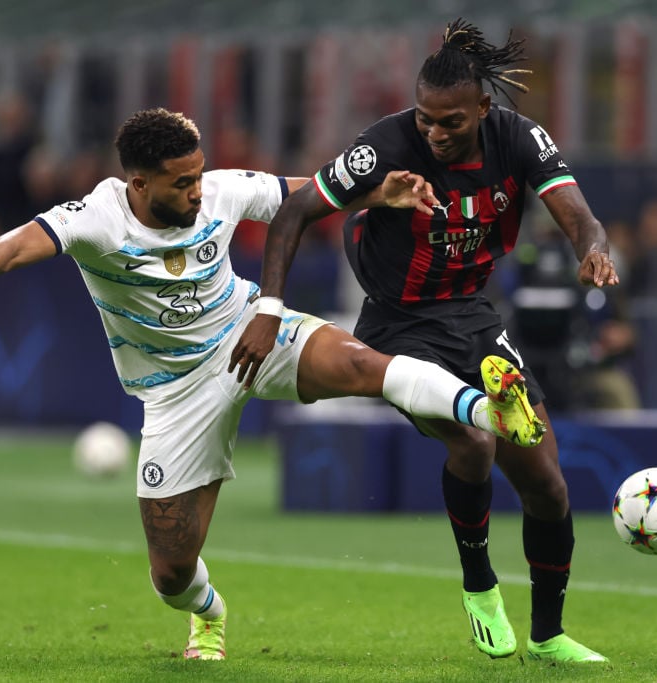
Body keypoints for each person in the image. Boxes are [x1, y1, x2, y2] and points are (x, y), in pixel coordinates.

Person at [0, 107, 542, 661]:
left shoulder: (221, 188)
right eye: (181, 183)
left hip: (249, 333)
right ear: (139, 183)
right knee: (171, 572)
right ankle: (209, 613)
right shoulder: (99, 217)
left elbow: (304, 192)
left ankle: (489, 412)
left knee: (360, 364)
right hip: (175, 391)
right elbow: (20, 245)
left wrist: (377, 194)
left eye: (199, 175)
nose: (197, 192)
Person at [232, 19, 618, 663]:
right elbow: (295, 211)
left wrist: (595, 251)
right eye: (426, 119)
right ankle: (479, 587)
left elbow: (580, 217)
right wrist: (269, 310)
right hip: (396, 324)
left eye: (451, 123)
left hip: (473, 319)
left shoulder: (520, 139)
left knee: (547, 483)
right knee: (472, 439)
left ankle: (549, 636)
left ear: (483, 110)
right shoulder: (381, 148)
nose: (435, 134)